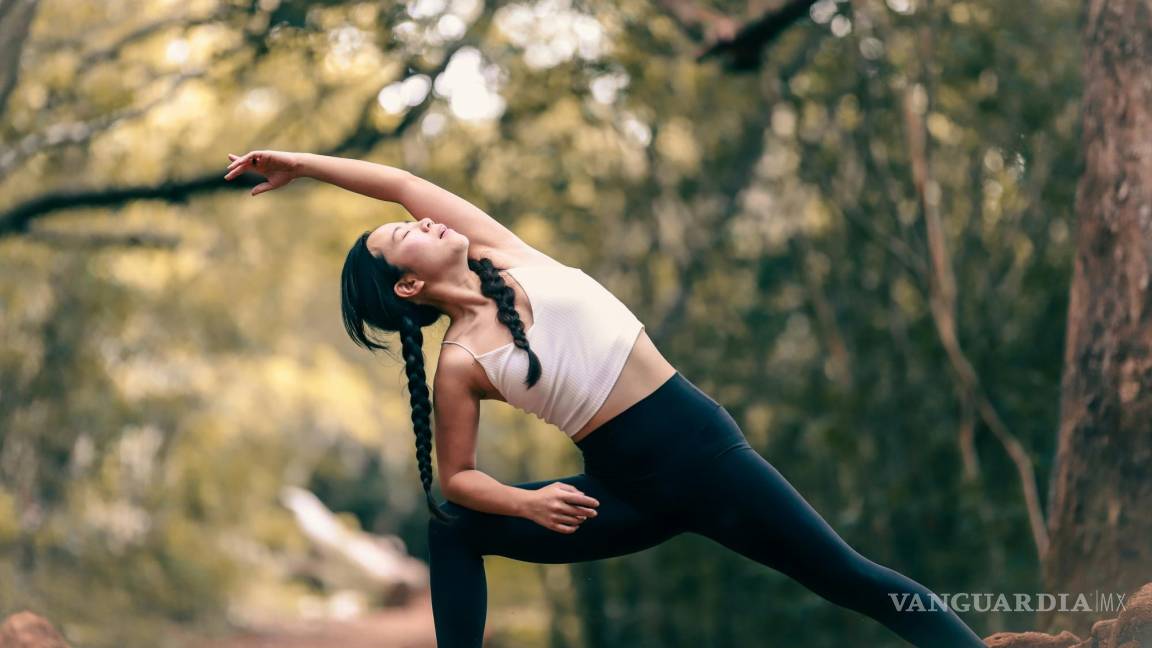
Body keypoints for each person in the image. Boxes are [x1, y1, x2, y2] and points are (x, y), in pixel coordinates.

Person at [224, 150, 988, 647]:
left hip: (704, 454)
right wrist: (527, 504)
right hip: (619, 491)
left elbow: (396, 180)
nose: (419, 216)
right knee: (453, 528)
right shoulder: (459, 364)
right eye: (402, 235)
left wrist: (299, 163)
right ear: (409, 285)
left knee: (855, 581)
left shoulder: (503, 252)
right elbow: (456, 477)